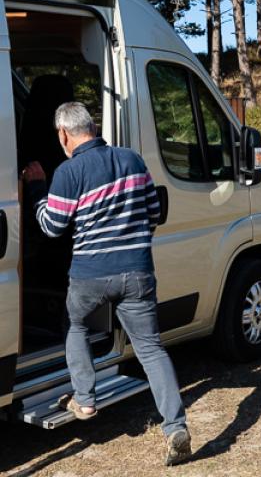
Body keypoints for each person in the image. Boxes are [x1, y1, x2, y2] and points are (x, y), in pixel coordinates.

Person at [23, 102, 192, 467]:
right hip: (138, 272)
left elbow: (51, 226)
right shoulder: (132, 159)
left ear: (64, 134)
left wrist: (37, 189)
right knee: (151, 349)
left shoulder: (69, 171)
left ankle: (84, 399)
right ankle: (175, 426)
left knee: (77, 324)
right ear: (93, 127)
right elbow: (152, 212)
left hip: (90, 276)